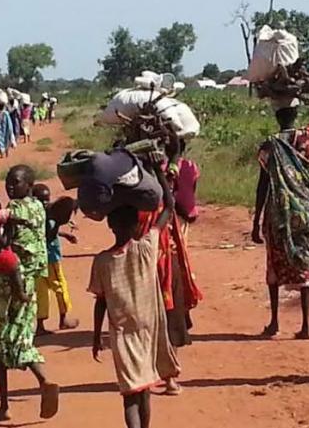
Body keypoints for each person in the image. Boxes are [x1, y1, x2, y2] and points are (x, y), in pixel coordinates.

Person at [89, 163, 180, 428]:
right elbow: (170, 207)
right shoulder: (147, 246)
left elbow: (101, 302)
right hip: (148, 329)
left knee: (130, 393)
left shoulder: (103, 261)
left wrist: (96, 336)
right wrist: (159, 174)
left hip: (122, 333)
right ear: (136, 225)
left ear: (110, 226)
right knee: (146, 389)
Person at [0, 165, 59, 422]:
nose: (10, 186)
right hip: (29, 281)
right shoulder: (38, 206)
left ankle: (25, 392)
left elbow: (0, 233)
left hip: (7, 283)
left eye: (16, 182)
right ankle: (12, 400)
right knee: (18, 336)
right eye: (8, 182)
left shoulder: (14, 210)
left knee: (1, 338)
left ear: (29, 184)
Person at [251, 105, 309, 340]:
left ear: (277, 116)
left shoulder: (270, 145)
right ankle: (305, 325)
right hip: (305, 210)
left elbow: (263, 184)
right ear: (296, 116)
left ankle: (274, 322)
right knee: (305, 264)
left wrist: (256, 220)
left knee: (274, 263)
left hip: (278, 212)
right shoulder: (305, 138)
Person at [33, 184, 80, 335]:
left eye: (47, 199)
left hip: (36, 257)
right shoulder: (49, 216)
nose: (45, 203)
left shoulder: (34, 214)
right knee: (60, 286)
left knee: (40, 291)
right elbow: (49, 234)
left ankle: (40, 325)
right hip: (50, 257)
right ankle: (64, 318)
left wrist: (65, 234)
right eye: (43, 200)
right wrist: (60, 222)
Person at [172, 139, 200, 240]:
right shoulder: (192, 166)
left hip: (176, 210)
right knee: (182, 241)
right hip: (188, 208)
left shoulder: (167, 167)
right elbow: (193, 188)